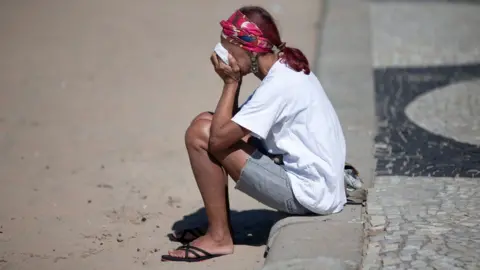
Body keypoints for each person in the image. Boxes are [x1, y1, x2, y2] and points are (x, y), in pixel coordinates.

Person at [161, 6, 362, 262]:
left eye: (228, 50)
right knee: (205, 121)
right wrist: (234, 84)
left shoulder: (278, 86)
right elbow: (232, 129)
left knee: (201, 133)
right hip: (319, 185)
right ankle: (218, 226)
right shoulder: (284, 72)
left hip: (310, 195)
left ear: (247, 49)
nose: (224, 57)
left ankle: (219, 237)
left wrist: (231, 82)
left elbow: (218, 140)